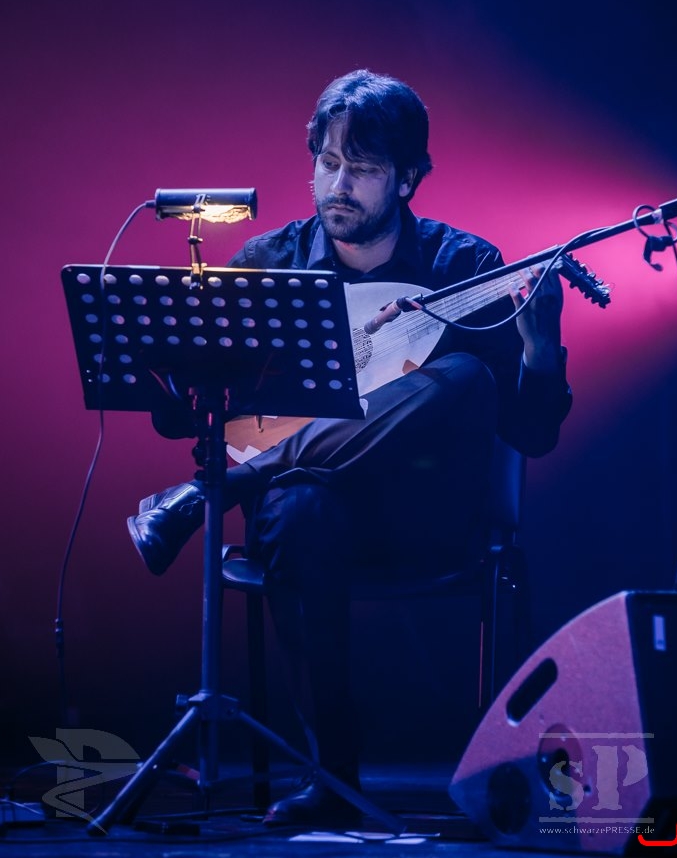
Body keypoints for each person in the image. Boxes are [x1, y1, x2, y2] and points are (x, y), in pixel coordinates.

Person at [128, 69, 572, 827]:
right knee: (302, 508)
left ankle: (208, 499)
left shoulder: (465, 269)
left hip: (421, 517)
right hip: (304, 522)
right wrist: (167, 364)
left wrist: (540, 350)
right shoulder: (270, 266)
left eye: (362, 168)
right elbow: (200, 428)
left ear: (407, 178)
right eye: (327, 162)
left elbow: (531, 434)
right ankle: (331, 779)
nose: (338, 184)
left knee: (464, 376)